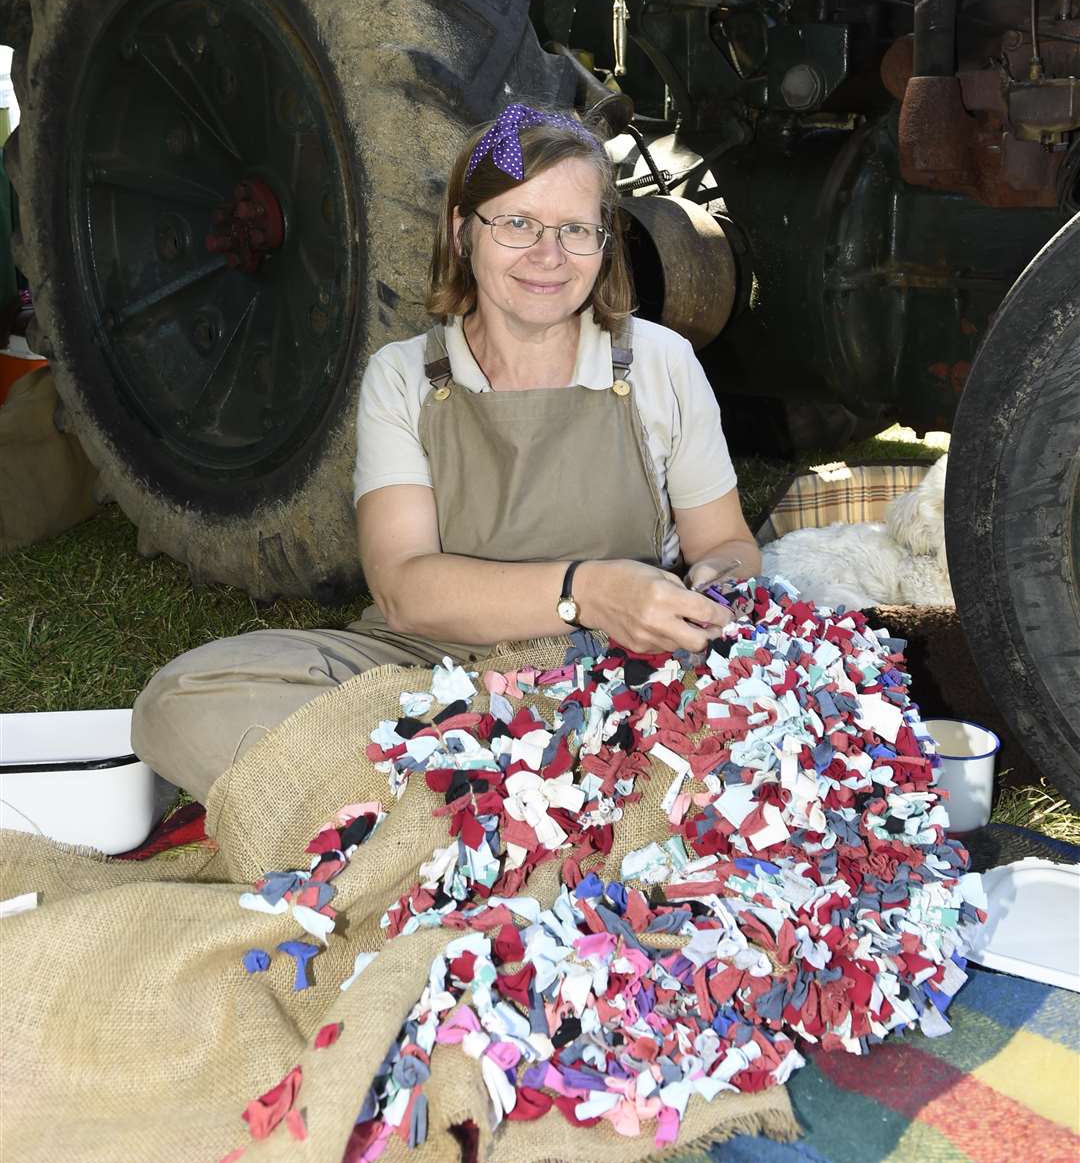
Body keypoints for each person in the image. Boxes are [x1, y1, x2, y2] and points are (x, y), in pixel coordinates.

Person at [132, 104, 759, 801]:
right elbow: (403, 589)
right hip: (435, 673)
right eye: (517, 223)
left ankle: (451, 800)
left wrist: (705, 591)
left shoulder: (659, 363)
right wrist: (590, 590)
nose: (547, 256)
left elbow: (729, 544)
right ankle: (519, 793)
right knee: (180, 701)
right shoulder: (403, 377)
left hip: (609, 674)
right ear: (463, 231)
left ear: (605, 242)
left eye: (575, 230)